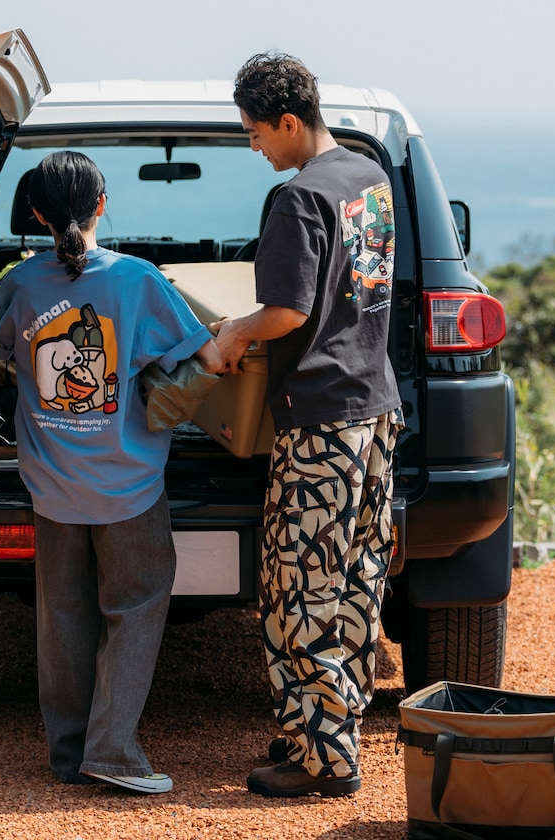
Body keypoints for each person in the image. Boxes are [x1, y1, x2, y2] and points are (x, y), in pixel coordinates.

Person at [0, 151, 221, 794]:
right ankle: (113, 752)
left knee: (61, 617)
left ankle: (68, 755)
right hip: (130, 486)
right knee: (136, 606)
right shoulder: (138, 280)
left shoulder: (17, 285)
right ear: (101, 205)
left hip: (51, 485)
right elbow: (207, 357)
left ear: (36, 215)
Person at [212, 53, 404, 798]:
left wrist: (235, 331)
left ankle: (324, 758)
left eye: (255, 132)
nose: (254, 146)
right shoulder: (368, 177)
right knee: (356, 576)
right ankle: (324, 724)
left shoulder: (298, 199)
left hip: (320, 419)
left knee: (298, 587)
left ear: (288, 122)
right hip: (376, 408)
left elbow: (288, 313)